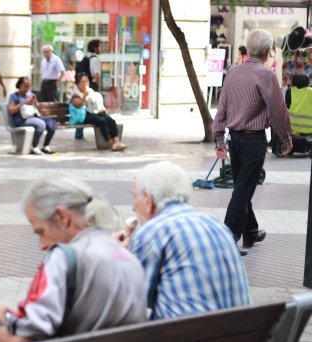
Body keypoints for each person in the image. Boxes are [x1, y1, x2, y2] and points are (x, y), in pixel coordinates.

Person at [0, 175, 146, 342]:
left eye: (41, 232)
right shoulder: (129, 258)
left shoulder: (64, 258)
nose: (42, 245)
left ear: (62, 216)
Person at [118, 161, 252, 320]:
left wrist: (117, 254)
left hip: (185, 341)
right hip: (239, 339)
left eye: (134, 197)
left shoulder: (152, 232)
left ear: (148, 198)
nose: (133, 207)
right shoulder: (217, 227)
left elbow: (129, 303)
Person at [212, 29, 293, 253]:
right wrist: (286, 137)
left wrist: (219, 140)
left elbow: (221, 110)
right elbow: (278, 111)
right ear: (268, 51)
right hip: (253, 141)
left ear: (248, 49)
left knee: (242, 187)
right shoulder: (265, 74)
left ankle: (250, 232)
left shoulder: (233, 73)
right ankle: (228, 239)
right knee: (242, 191)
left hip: (234, 140)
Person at [70, 73, 127, 151]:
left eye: (86, 81)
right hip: (83, 115)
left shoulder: (91, 91)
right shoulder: (76, 94)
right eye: (82, 82)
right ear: (78, 84)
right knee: (102, 121)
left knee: (110, 120)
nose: (85, 84)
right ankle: (111, 144)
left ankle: (117, 142)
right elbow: (78, 105)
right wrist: (85, 96)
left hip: (94, 113)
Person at [8, 76, 57, 155]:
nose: (27, 89)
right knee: (40, 124)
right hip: (21, 120)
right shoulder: (14, 96)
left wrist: (36, 104)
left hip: (33, 117)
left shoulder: (30, 95)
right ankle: (34, 147)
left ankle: (45, 146)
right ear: (20, 85)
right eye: (25, 86)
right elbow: (11, 110)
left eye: (29, 86)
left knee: (52, 124)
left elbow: (38, 109)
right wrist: (23, 103)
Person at [74, 39, 102, 140]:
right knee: (95, 109)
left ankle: (79, 133)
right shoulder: (95, 59)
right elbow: (96, 75)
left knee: (83, 109)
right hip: (92, 86)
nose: (101, 49)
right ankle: (101, 133)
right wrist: (98, 86)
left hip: (83, 87)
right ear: (95, 48)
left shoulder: (86, 58)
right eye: (99, 47)